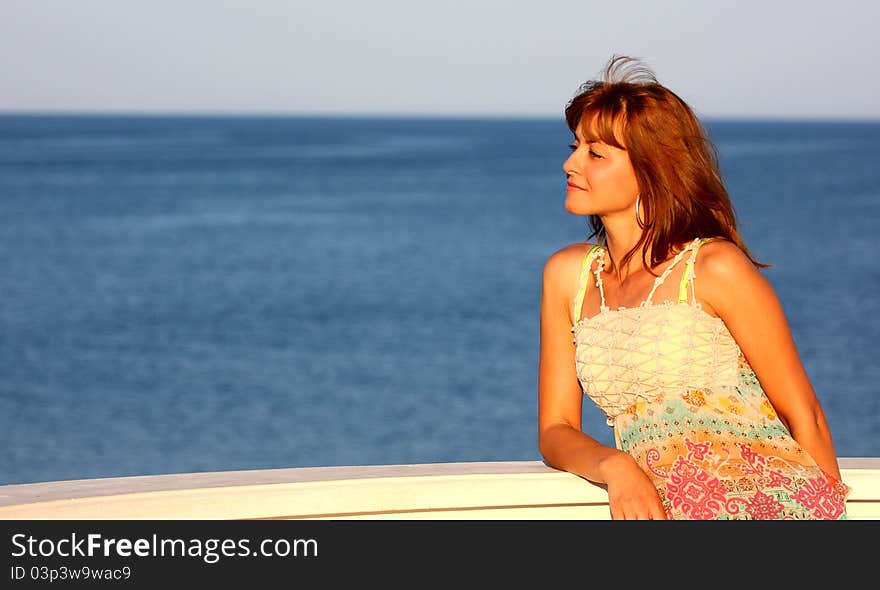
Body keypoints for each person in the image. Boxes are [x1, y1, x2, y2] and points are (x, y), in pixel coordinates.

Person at [537, 54, 851, 520]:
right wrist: (616, 465)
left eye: (595, 153)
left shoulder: (714, 267)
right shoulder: (569, 276)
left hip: (772, 505)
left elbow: (805, 414)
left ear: (652, 169)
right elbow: (555, 430)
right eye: (576, 145)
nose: (570, 163)